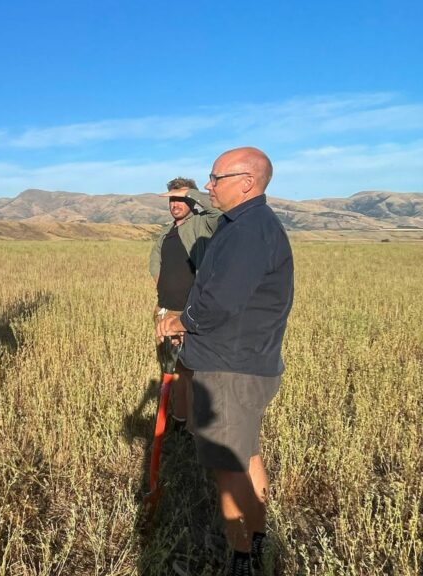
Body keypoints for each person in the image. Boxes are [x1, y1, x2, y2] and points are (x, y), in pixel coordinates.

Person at [157, 147, 293, 575]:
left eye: (217, 177)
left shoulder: (249, 231)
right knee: (247, 456)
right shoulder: (245, 225)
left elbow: (219, 303)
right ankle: (255, 542)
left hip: (230, 368)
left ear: (247, 182)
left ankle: (241, 559)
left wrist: (181, 320)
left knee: (228, 471)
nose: (209, 185)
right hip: (244, 363)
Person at [149, 177, 222, 430]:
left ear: (191, 199)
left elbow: (218, 211)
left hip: (189, 313)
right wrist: (164, 300)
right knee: (171, 369)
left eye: (181, 199)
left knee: (191, 371)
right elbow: (155, 266)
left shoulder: (203, 224)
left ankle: (192, 427)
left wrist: (190, 192)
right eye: (172, 199)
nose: (175, 204)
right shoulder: (166, 232)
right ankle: (179, 420)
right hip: (165, 310)